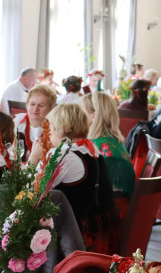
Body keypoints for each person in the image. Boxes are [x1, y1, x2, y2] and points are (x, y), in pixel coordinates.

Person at [33, 103, 121, 253]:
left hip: (72, 236)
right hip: (97, 228)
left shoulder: (63, 155)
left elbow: (30, 190)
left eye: (50, 128)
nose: (47, 134)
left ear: (61, 129)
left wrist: (33, 157)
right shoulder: (90, 149)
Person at [83, 92, 135, 204]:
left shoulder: (99, 146)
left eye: (81, 112)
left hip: (110, 212)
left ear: (93, 116)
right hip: (113, 203)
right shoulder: (107, 140)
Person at [16, 83, 57, 153]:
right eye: (32, 104)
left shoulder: (55, 129)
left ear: (50, 108)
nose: (35, 109)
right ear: (27, 105)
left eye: (41, 105)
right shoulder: (16, 124)